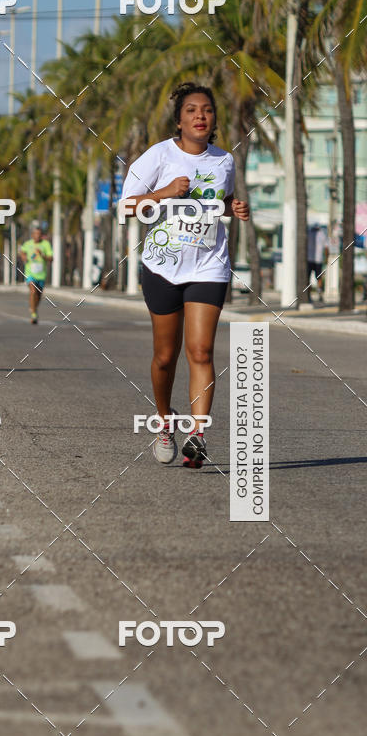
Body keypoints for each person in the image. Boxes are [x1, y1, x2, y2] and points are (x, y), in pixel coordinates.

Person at [121, 81, 249, 469]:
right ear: (179, 121)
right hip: (162, 265)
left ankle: (198, 435)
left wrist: (231, 207)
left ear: (214, 121)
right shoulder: (159, 155)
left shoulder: (224, 160)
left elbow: (214, 202)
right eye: (192, 110)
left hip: (209, 265)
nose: (200, 116)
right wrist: (162, 193)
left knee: (202, 351)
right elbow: (127, 206)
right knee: (165, 356)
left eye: (207, 110)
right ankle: (164, 422)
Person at [18, 223, 53, 324]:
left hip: (41, 275)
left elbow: (51, 258)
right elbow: (22, 251)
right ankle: (33, 314)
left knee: (38, 295)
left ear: (41, 235)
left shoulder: (45, 244)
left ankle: (33, 308)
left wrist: (43, 255)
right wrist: (23, 256)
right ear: (32, 235)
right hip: (30, 274)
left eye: (39, 234)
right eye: (35, 234)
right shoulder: (28, 244)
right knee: (33, 291)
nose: (37, 236)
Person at [307, 223, 327, 303]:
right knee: (319, 278)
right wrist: (326, 258)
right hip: (319, 260)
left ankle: (308, 295)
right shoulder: (322, 234)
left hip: (309, 259)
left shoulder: (308, 233)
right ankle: (319, 294)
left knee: (307, 279)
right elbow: (326, 248)